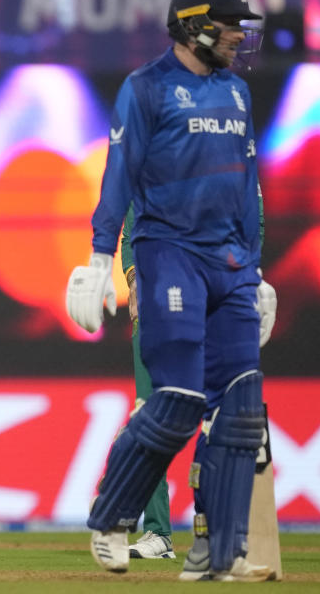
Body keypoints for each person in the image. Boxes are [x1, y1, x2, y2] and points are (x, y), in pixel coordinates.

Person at [65, 0, 278, 581]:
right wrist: (101, 259)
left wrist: (256, 272)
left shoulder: (237, 94)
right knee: (179, 401)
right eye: (230, 23)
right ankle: (114, 516)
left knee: (240, 413)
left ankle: (221, 550)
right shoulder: (147, 87)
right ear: (194, 24)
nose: (240, 35)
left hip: (230, 264)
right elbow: (120, 175)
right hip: (169, 255)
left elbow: (245, 191)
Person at [120, 204, 175, 561]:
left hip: (206, 304)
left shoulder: (214, 156)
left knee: (219, 417)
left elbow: (249, 217)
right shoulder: (137, 167)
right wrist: (133, 281)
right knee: (152, 417)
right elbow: (128, 236)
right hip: (153, 313)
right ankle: (158, 532)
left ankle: (227, 529)